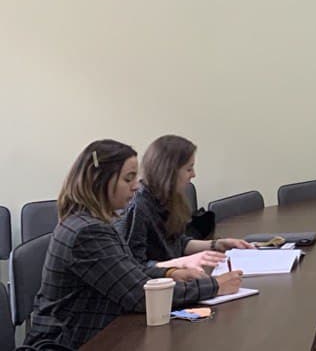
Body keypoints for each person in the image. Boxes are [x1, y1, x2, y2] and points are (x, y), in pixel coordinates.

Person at [24, 140, 244, 348]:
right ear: (100, 180)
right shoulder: (88, 233)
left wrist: (170, 273)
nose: (136, 186)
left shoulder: (89, 222)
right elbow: (140, 295)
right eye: (128, 179)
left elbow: (127, 270)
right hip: (68, 343)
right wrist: (215, 286)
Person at [116, 135, 253, 278]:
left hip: (175, 279)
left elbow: (177, 243)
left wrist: (217, 245)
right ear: (169, 171)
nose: (194, 174)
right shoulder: (138, 207)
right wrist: (181, 263)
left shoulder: (167, 198)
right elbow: (133, 267)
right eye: (189, 169)